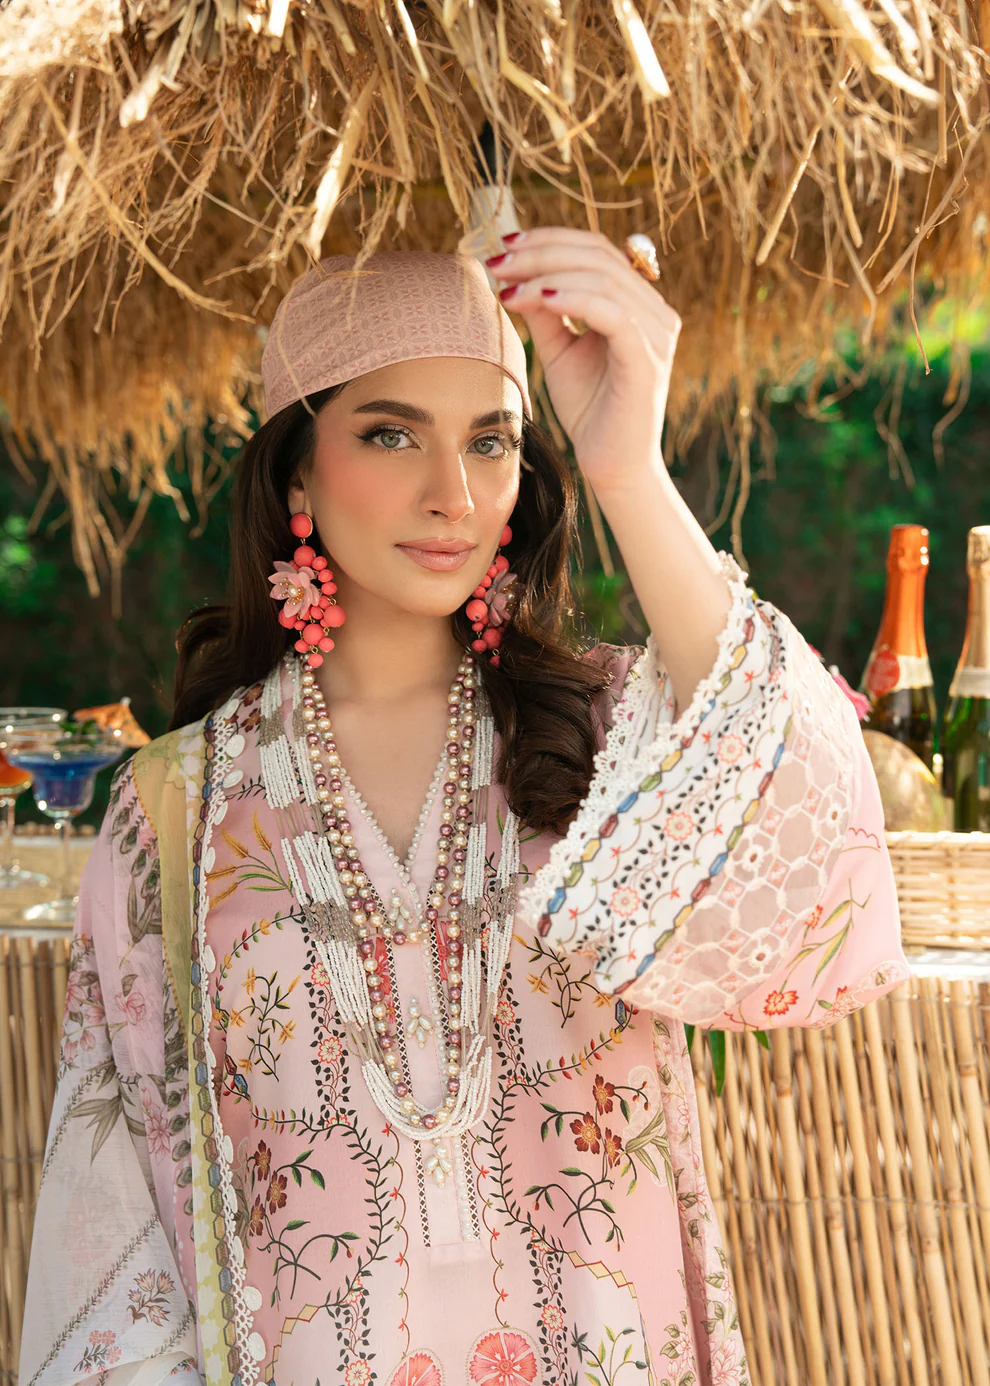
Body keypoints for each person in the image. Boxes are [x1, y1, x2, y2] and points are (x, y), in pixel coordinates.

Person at [19, 229, 909, 1386]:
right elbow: (117, 1234)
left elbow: (822, 854)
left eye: (490, 442)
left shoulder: (610, 742)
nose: (453, 494)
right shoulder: (177, 811)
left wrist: (627, 470)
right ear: (296, 472)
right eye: (391, 434)